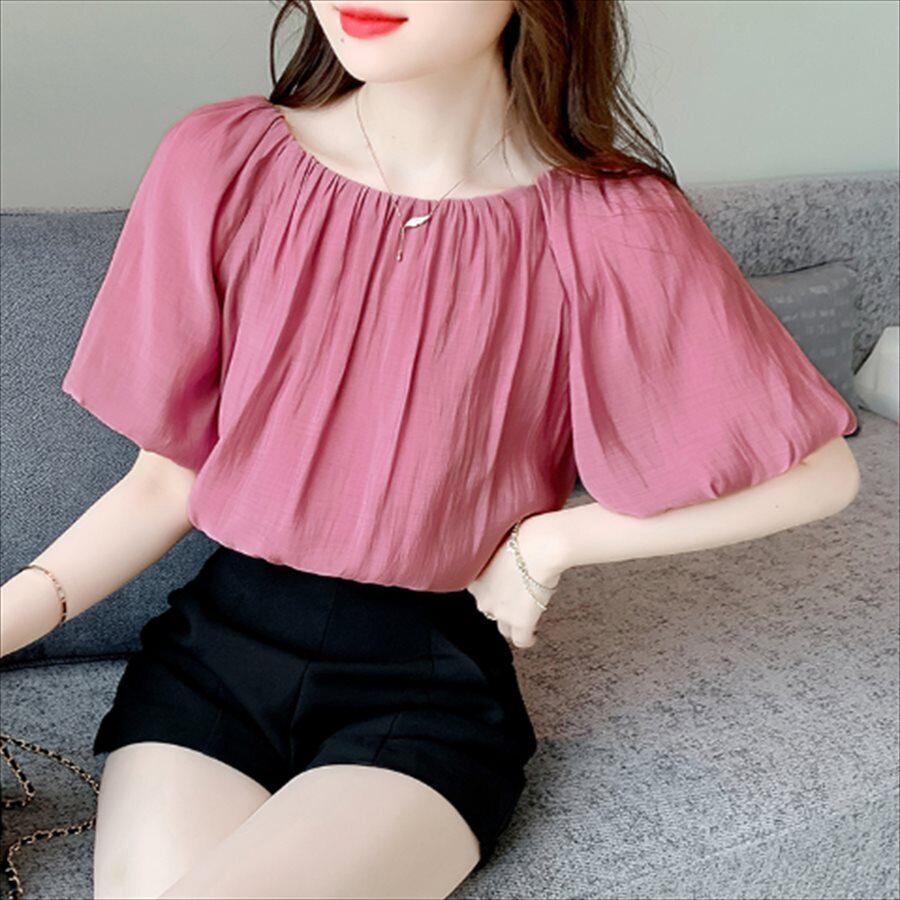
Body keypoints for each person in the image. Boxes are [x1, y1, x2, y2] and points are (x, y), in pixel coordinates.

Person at [0, 1, 861, 898]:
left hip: (423, 685)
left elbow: (819, 472)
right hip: (215, 655)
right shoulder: (222, 161)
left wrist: (550, 543)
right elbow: (166, 481)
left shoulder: (609, 221)